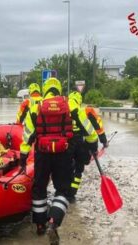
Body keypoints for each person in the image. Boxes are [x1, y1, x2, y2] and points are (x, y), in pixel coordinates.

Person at [19, 78, 93, 244]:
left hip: (42, 153)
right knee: (63, 190)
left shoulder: (36, 107)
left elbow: (28, 135)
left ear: (45, 90)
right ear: (59, 89)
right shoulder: (70, 104)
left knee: (39, 188)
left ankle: (40, 225)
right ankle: (53, 222)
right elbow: (87, 127)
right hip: (64, 153)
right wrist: (92, 144)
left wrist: (23, 156)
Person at [68, 91, 99, 203]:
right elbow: (91, 133)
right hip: (78, 142)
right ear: (79, 101)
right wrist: (94, 149)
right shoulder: (79, 111)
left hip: (64, 144)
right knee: (78, 169)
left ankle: (62, 192)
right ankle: (71, 195)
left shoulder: (62, 109)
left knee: (65, 168)